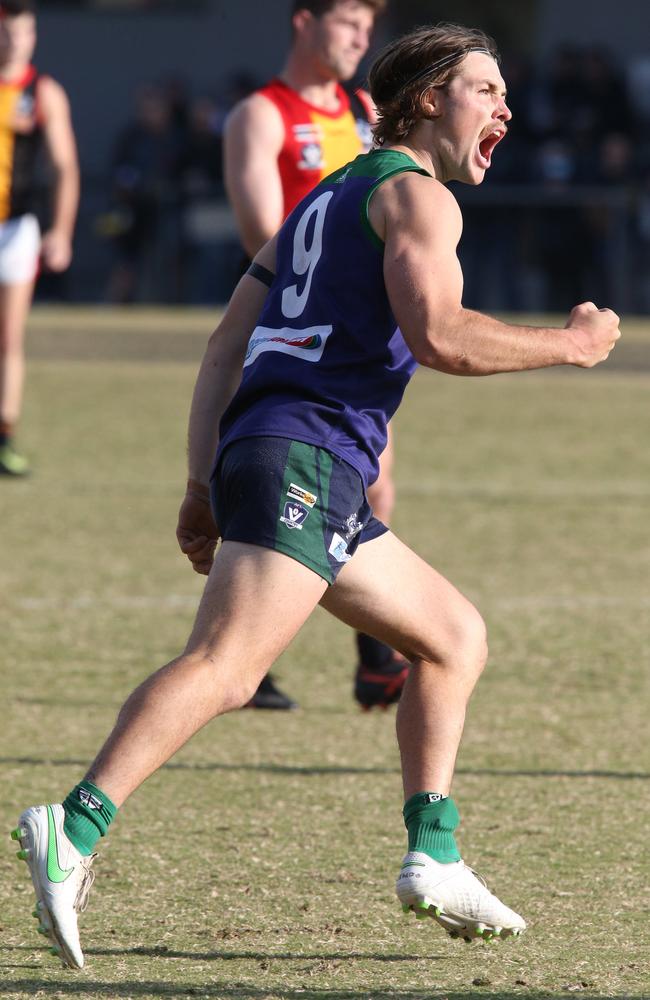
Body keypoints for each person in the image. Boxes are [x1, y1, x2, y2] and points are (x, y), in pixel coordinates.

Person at [13, 22, 621, 970]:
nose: (504, 107)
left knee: (452, 637)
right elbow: (441, 335)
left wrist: (199, 480)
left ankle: (435, 855)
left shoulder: (329, 194)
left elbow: (223, 346)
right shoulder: (417, 197)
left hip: (276, 452)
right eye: (485, 89)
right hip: (307, 452)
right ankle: (75, 825)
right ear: (427, 100)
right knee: (227, 668)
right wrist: (572, 345)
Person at [225, 0, 410, 711]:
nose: (362, 38)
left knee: (372, 485)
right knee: (271, 488)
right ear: (304, 21)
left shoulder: (367, 110)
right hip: (287, 334)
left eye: (368, 27)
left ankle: (372, 660)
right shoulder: (261, 115)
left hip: (356, 342)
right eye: (348, 23)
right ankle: (249, 657)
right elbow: (260, 238)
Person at [0, 0, 79, 476]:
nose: (13, 42)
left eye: (23, 34)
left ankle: (4, 435)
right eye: (7, 33)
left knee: (8, 337)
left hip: (16, 228)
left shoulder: (42, 91)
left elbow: (66, 166)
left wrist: (62, 231)